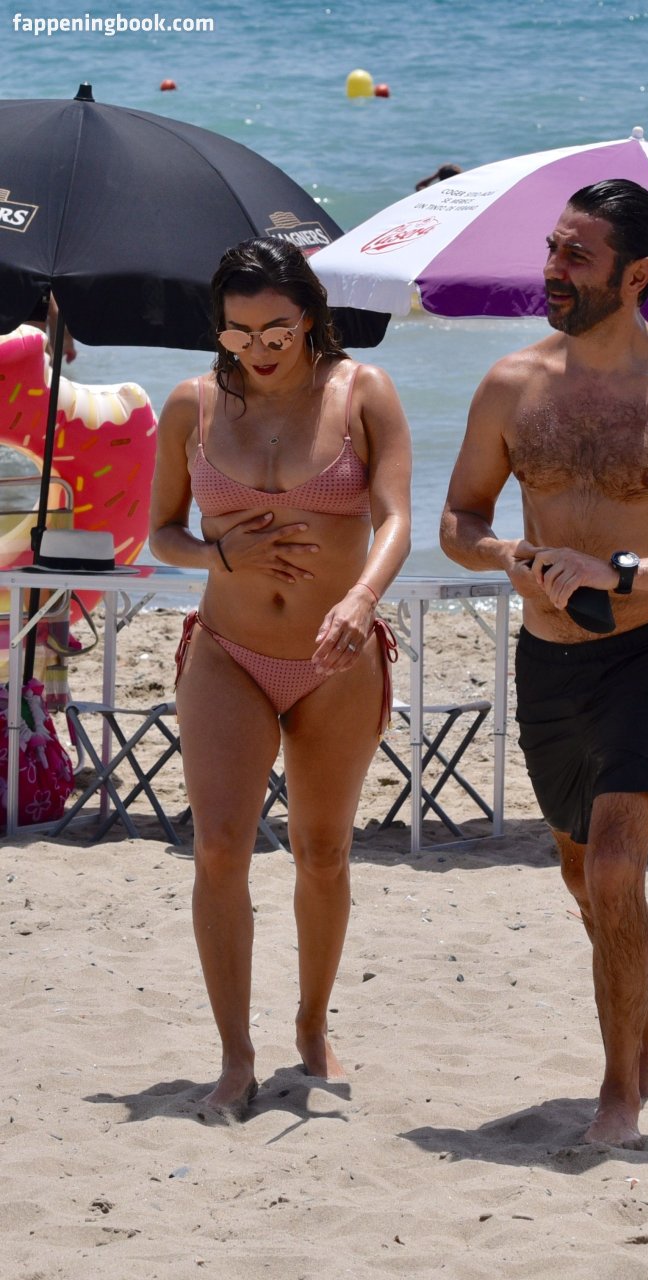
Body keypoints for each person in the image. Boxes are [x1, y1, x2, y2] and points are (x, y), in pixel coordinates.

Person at [440, 179, 648, 1149]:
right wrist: (511, 556)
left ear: (637, 275)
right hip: (550, 658)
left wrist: (621, 571)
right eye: (552, 248)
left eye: (575, 255)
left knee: (620, 864)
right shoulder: (511, 385)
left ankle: (618, 1096)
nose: (552, 268)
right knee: (588, 877)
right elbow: (459, 521)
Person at [149, 238, 412, 1117]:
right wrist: (218, 551)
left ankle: (310, 1020)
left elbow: (397, 519)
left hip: (336, 656)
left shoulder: (362, 393)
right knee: (219, 847)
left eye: (276, 330)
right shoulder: (191, 405)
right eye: (237, 332)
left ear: (311, 317)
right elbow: (161, 534)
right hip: (228, 651)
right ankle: (235, 1056)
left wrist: (362, 599)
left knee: (323, 852)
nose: (257, 349)